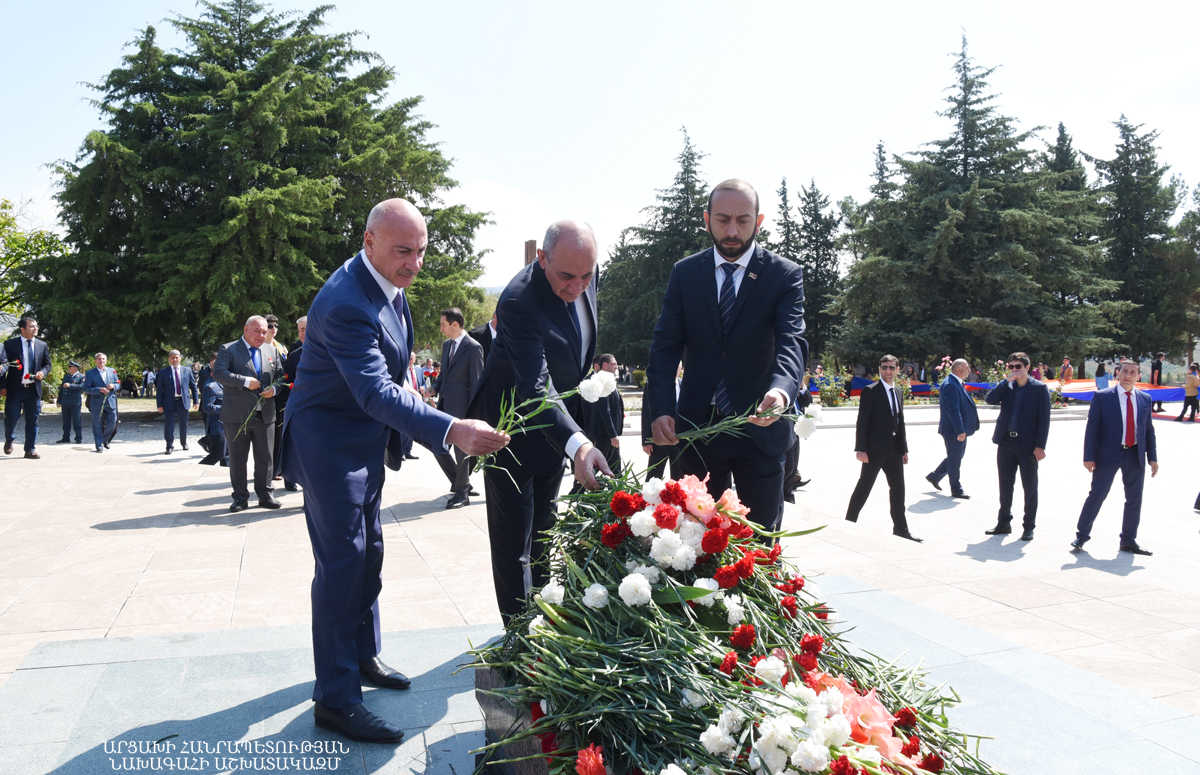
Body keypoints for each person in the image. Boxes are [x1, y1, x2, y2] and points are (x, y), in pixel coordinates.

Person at [280, 198, 508, 744]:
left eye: (421, 251)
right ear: (369, 243)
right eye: (403, 251)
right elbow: (372, 388)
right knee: (343, 562)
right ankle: (334, 699)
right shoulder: (345, 303)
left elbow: (395, 371)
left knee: (371, 551)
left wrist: (420, 402)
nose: (415, 264)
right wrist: (450, 428)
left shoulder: (390, 287)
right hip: (328, 443)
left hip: (363, 437)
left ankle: (362, 657)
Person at [470, 219, 612, 623]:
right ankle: (518, 636)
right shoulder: (517, 301)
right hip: (508, 431)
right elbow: (535, 387)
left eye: (587, 274)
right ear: (541, 258)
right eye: (566, 276)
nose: (578, 286)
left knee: (544, 536)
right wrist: (580, 444)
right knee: (514, 543)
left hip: (557, 429)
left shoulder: (584, 272)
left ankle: (543, 622)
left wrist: (573, 436)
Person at [647, 179, 807, 534]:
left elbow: (791, 341)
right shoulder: (685, 273)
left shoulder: (783, 275)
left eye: (743, 220)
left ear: (759, 220)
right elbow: (664, 347)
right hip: (696, 433)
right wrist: (659, 409)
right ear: (706, 219)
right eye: (722, 220)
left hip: (760, 429)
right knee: (694, 544)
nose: (732, 231)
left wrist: (781, 391)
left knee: (761, 546)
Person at [1073, 359, 1158, 555]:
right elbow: (1092, 428)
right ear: (1117, 374)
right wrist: (1088, 456)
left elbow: (1149, 431)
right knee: (1098, 494)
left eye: (1132, 372)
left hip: (1135, 454)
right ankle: (1081, 536)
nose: (1128, 375)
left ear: (1138, 376)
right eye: (1125, 371)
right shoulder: (1103, 397)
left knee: (1134, 499)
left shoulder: (1144, 398)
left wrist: (1152, 457)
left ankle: (1128, 540)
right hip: (1108, 455)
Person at [845, 355, 920, 541]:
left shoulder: (899, 392)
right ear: (880, 369)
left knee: (898, 490)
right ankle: (847, 523)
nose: (888, 371)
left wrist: (904, 449)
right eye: (885, 367)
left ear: (897, 369)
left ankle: (901, 529)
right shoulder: (870, 391)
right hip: (873, 451)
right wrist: (860, 449)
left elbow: (900, 422)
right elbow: (862, 421)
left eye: (892, 368)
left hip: (894, 450)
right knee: (864, 487)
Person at [214, 316, 284, 512]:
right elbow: (219, 373)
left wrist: (275, 390)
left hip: (265, 415)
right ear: (245, 329)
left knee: (266, 458)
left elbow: (280, 376)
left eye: (264, 332)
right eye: (257, 331)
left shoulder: (272, 350)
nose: (261, 335)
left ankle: (265, 494)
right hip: (237, 416)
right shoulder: (228, 349)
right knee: (237, 459)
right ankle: (240, 497)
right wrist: (244, 381)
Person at [983, 353, 1050, 540]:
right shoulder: (1008, 386)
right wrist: (1005, 382)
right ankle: (1003, 523)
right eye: (1011, 367)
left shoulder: (1039, 388)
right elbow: (990, 400)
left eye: (1018, 366)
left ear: (1027, 368)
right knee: (1005, 486)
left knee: (1029, 487)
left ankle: (1029, 526)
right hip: (1005, 442)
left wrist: (1040, 446)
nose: (1014, 370)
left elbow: (1044, 420)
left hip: (1027, 446)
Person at [431, 307, 485, 508]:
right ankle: (462, 483)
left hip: (463, 411)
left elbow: (477, 383)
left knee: (462, 453)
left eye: (443, 324)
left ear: (455, 324)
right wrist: (433, 389)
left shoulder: (473, 348)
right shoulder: (446, 346)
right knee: (436, 446)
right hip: (444, 407)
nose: (441, 329)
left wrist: (472, 416)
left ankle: (462, 494)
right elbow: (443, 375)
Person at [926, 358, 979, 499]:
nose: (969, 369)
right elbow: (953, 410)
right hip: (954, 430)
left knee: (956, 456)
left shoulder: (956, 382)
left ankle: (935, 476)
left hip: (957, 429)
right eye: (967, 367)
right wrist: (960, 430)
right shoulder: (950, 384)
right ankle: (956, 489)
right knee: (955, 459)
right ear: (959, 369)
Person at [2, 317, 52, 458]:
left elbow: (47, 364)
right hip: (15, 388)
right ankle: (9, 439)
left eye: (36, 326)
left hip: (33, 389)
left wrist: (43, 372)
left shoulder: (42, 345)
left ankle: (30, 449)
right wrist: (2, 386)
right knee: (11, 418)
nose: (35, 328)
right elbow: (4, 365)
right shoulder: (10, 344)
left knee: (33, 419)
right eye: (32, 326)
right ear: (22, 329)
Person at [275, 316, 306, 490]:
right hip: (297, 408)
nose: (301, 333)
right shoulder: (294, 356)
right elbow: (289, 381)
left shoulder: (328, 350)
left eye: (305, 329)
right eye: (299, 330)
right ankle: (290, 477)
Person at [583, 353, 625, 474]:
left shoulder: (609, 381)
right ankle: (578, 489)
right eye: (614, 364)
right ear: (605, 365)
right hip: (603, 435)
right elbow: (604, 411)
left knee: (616, 469)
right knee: (593, 468)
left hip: (610, 435)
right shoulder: (600, 382)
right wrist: (612, 434)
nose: (616, 366)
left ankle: (618, 492)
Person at [642, 363, 681, 481]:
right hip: (659, 440)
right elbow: (646, 413)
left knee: (679, 478)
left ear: (681, 368)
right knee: (653, 477)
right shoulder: (654, 385)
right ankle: (648, 499)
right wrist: (646, 441)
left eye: (678, 366)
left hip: (680, 441)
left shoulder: (684, 384)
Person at [156, 350, 196, 454]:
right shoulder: (164, 372)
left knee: (184, 424)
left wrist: (196, 401)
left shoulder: (187, 370)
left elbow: (193, 387)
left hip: (183, 402)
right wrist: (159, 404)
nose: (175, 359)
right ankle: (169, 445)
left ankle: (184, 443)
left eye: (176, 357)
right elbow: (159, 389)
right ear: (169, 359)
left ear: (180, 358)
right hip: (169, 402)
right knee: (169, 424)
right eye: (172, 357)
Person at [82, 352, 120, 453]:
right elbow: (86, 389)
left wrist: (114, 386)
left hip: (110, 402)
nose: (101, 361)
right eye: (99, 359)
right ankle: (98, 445)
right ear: (95, 361)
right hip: (97, 403)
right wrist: (99, 389)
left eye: (103, 359)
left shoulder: (112, 371)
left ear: (106, 360)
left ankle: (104, 439)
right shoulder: (90, 373)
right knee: (97, 425)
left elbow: (118, 384)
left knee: (113, 422)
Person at [198, 362, 228, 467]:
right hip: (217, 427)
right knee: (218, 454)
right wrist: (225, 408)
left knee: (227, 455)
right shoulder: (209, 387)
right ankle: (196, 469)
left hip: (226, 425)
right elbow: (207, 407)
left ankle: (226, 474)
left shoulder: (222, 385)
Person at [57, 361, 85, 444]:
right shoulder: (67, 376)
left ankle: (78, 437)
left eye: (70, 367)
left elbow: (82, 386)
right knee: (66, 421)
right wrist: (59, 400)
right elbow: (62, 389)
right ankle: (66, 437)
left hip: (75, 402)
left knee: (76, 421)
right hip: (65, 402)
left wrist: (71, 385)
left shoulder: (81, 377)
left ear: (74, 368)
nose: (68, 369)